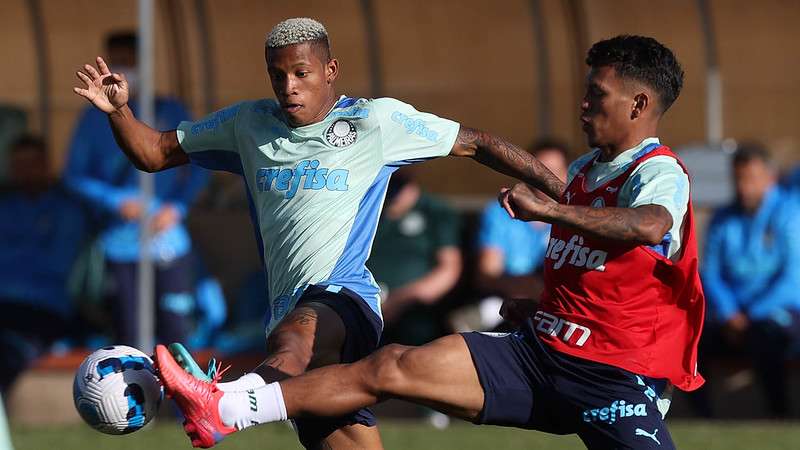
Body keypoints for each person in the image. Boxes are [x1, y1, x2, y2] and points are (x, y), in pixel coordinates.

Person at [155, 34, 705, 450]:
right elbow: (605, 273)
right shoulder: (587, 169)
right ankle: (226, 406)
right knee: (389, 366)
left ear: (637, 106)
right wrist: (542, 310)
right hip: (540, 354)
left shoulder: (660, 170)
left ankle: (227, 401)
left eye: (597, 94)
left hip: (614, 377)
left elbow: (648, 225)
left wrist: (553, 208)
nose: (584, 104)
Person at [72, 17, 563, 450]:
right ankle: (236, 398)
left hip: (344, 298)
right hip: (286, 307)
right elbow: (155, 153)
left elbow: (479, 143)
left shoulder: (375, 121)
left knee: (296, 338)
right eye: (278, 75)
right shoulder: (248, 124)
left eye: (301, 73)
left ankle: (223, 401)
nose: (289, 86)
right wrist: (119, 112)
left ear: (331, 70)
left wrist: (563, 194)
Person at [65, 31, 208, 346]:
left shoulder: (171, 110)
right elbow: (73, 176)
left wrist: (177, 207)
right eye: (117, 62)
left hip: (167, 242)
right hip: (120, 244)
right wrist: (116, 201)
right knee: (128, 337)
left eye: (129, 62)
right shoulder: (92, 118)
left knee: (177, 336)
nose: (123, 68)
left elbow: (202, 165)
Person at [697, 143, 800, 418]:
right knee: (693, 339)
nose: (744, 187)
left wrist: (750, 315)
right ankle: (702, 421)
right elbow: (711, 273)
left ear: (770, 178)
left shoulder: (790, 213)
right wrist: (730, 313)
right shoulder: (723, 217)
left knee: (765, 338)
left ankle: (780, 418)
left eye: (751, 179)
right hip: (732, 316)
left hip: (779, 312)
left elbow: (792, 278)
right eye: (738, 179)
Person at [0, 135, 86, 395]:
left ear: (46, 165)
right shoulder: (5, 208)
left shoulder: (66, 212)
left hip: (42, 308)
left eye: (32, 163)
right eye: (18, 164)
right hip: (4, 301)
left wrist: (13, 255)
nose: (25, 171)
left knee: (8, 351)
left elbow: (58, 265)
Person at [472, 140, 568, 329]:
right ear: (526, 175)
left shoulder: (577, 216)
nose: (547, 180)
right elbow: (487, 273)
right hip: (504, 301)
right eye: (541, 172)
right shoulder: (501, 211)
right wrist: (523, 287)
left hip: (557, 307)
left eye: (554, 172)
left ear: (568, 174)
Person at [368, 169, 462, 346]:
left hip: (411, 312)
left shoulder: (436, 211)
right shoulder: (366, 209)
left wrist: (401, 301)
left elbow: (449, 269)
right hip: (364, 304)